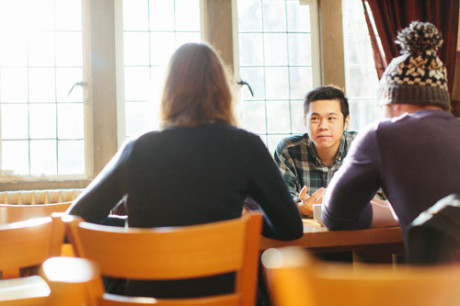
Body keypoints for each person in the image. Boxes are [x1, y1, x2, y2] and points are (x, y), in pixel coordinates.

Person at [66, 42, 303, 300]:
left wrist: (131, 229)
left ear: (167, 91)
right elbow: (290, 227)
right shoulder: (246, 145)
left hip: (148, 299)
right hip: (225, 298)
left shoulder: (138, 148)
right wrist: (245, 224)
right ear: (223, 91)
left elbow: (75, 218)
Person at [322, 21, 460, 237]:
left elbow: (334, 216)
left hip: (439, 271)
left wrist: (392, 210)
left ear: (394, 102)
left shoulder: (382, 134)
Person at [274, 85, 357, 217]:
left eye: (331, 118)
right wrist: (300, 207)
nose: (323, 126)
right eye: (315, 119)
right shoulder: (288, 150)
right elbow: (279, 198)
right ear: (305, 122)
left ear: (346, 122)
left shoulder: (361, 147)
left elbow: (381, 196)